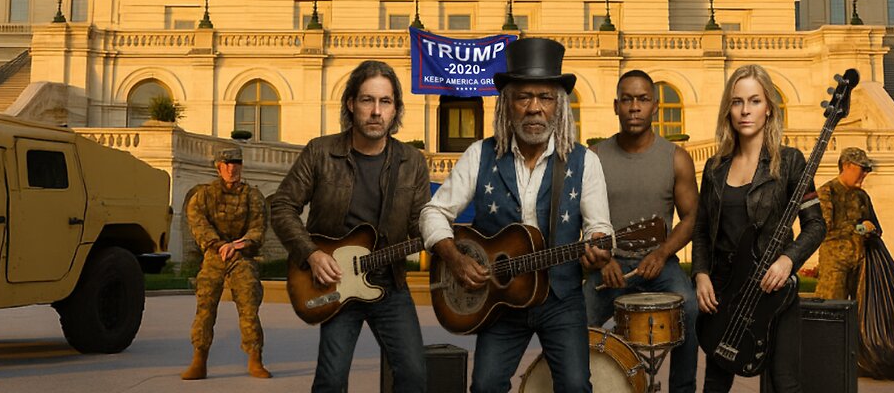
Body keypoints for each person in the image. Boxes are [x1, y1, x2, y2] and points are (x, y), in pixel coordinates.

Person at [421, 37, 613, 393]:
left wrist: (599, 247)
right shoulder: (480, 155)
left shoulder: (585, 162)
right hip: (500, 301)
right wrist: (453, 257)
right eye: (524, 97)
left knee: (575, 385)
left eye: (545, 97)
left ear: (560, 106)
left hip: (561, 298)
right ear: (507, 104)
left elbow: (599, 227)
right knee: (485, 385)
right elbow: (434, 211)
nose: (534, 108)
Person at [269, 60, 431, 392]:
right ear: (351, 104)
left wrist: (443, 233)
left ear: (395, 109)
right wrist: (311, 255)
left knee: (415, 375)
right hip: (335, 281)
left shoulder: (411, 162)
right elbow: (282, 205)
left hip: (390, 284)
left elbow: (420, 224)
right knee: (331, 380)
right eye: (367, 100)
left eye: (385, 102)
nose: (376, 111)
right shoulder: (321, 151)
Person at [692, 64, 825, 393]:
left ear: (769, 108)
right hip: (724, 294)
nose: (745, 110)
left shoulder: (792, 161)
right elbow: (702, 230)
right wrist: (701, 274)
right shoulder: (715, 167)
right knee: (714, 384)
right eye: (737, 102)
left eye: (754, 101)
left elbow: (816, 225)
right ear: (728, 110)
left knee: (785, 384)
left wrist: (788, 261)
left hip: (774, 294)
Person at [584, 70, 700, 393]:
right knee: (572, 321)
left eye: (643, 99)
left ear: (655, 107)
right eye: (627, 99)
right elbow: (581, 221)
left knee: (689, 308)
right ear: (616, 106)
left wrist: (662, 253)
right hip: (609, 268)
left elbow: (691, 217)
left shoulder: (676, 158)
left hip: (659, 266)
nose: (635, 106)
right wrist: (601, 261)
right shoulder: (593, 158)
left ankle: (682, 389)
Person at [181, 148, 272, 380]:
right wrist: (217, 243)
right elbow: (197, 221)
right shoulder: (204, 195)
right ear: (219, 167)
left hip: (241, 256)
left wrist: (238, 245)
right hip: (214, 255)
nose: (232, 169)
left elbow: (258, 227)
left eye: (236, 163)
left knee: (249, 305)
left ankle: (255, 358)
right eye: (227, 164)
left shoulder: (253, 196)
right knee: (205, 307)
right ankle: (199, 360)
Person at [815, 147, 881, 301]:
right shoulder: (827, 193)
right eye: (862, 169)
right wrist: (860, 228)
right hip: (834, 266)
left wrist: (870, 230)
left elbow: (876, 228)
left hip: (861, 265)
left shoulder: (861, 196)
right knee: (832, 311)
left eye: (868, 170)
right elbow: (824, 229)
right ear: (846, 166)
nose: (865, 174)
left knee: (862, 315)